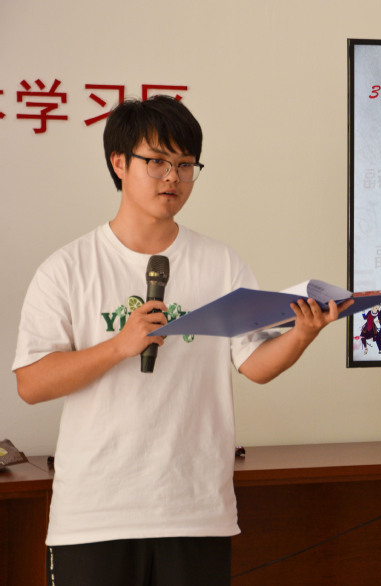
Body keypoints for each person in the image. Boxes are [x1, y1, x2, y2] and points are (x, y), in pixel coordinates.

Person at [12, 95, 352, 586]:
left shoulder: (221, 263)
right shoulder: (68, 267)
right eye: (157, 162)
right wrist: (119, 346)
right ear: (119, 163)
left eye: (186, 165)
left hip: (195, 511)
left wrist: (302, 334)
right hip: (95, 515)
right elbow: (31, 383)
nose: (172, 177)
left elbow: (254, 365)